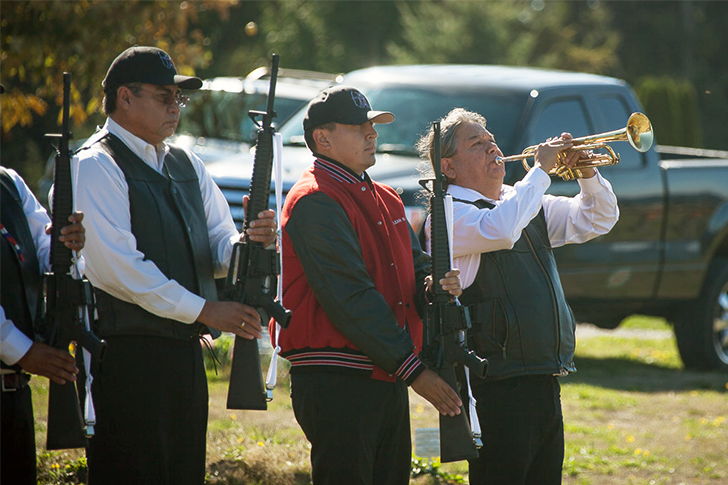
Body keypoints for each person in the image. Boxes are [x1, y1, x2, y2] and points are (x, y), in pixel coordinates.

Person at [71, 46, 277, 484]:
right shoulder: (95, 164)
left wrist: (248, 245)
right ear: (124, 97)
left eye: (178, 98)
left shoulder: (185, 163)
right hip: (127, 355)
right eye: (164, 95)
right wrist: (206, 310)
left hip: (183, 355)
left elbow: (218, 242)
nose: (174, 107)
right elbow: (118, 268)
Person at [416, 108, 619, 485]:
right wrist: (540, 171)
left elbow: (598, 218)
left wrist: (587, 172)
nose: (492, 148)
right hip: (497, 385)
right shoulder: (447, 215)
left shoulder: (521, 200)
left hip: (542, 374)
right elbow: (502, 230)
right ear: (449, 167)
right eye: (477, 144)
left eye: (491, 140)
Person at [276, 85, 464, 485]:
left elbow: (413, 269)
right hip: (337, 377)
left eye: (372, 126)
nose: (372, 134)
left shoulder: (386, 197)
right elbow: (350, 298)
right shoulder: (314, 200)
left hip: (384, 370)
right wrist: (415, 370)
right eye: (359, 127)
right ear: (322, 139)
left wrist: (433, 284)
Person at [1, 164, 85, 485]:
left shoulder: (9, 183)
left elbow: (43, 246)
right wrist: (23, 351)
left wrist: (67, 245)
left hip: (15, 397)